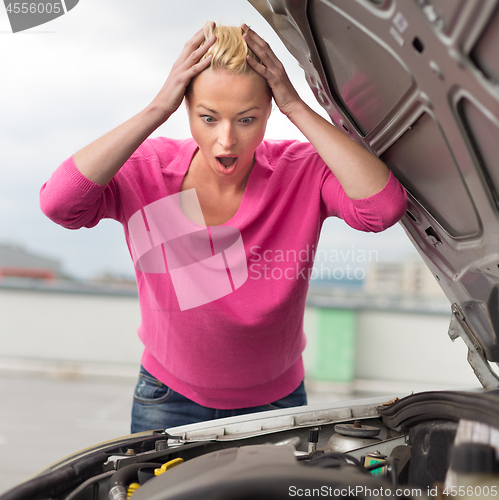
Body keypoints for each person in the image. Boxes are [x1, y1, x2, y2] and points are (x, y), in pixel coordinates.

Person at [40, 22, 407, 432]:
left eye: (247, 119)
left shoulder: (301, 170)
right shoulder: (148, 171)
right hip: (168, 400)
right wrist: (155, 109)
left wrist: (296, 105)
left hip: (278, 406)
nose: (226, 140)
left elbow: (383, 208)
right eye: (209, 118)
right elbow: (60, 205)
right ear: (186, 108)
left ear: (269, 112)